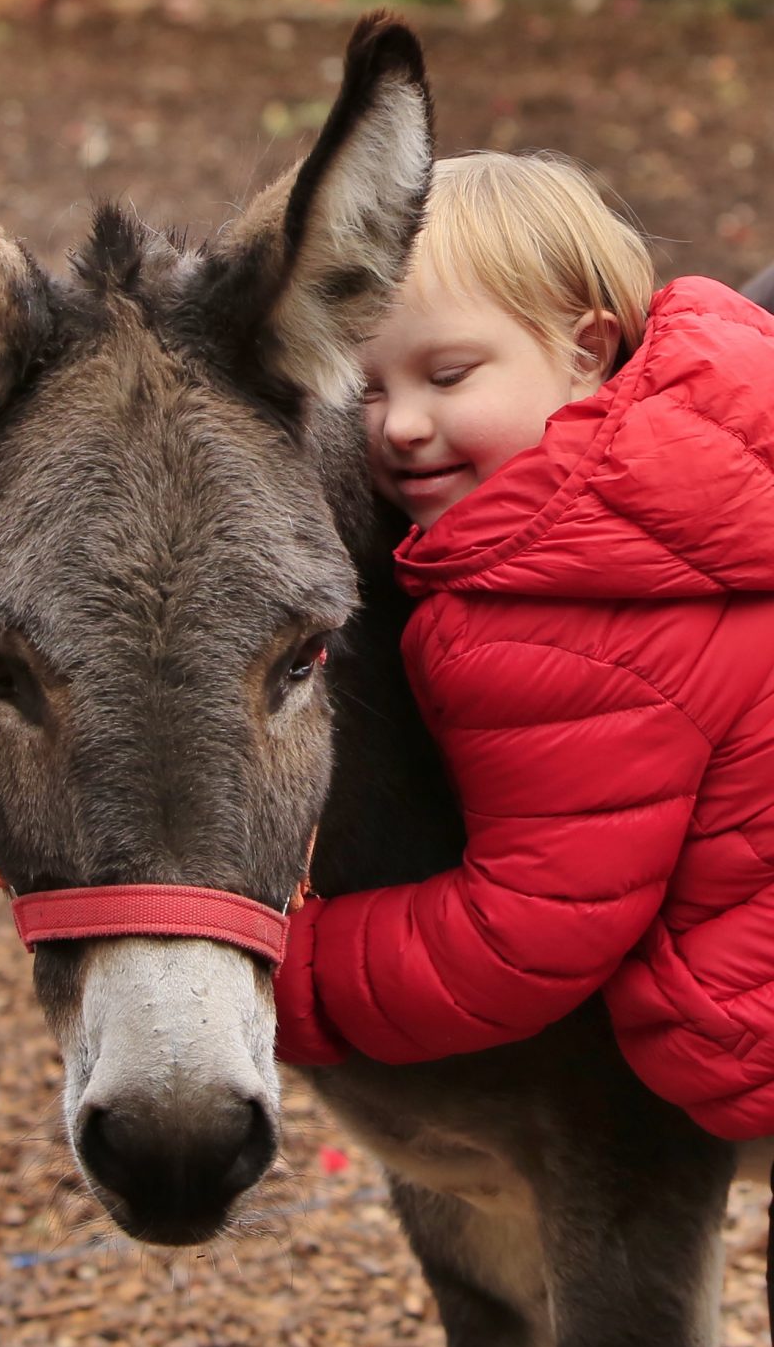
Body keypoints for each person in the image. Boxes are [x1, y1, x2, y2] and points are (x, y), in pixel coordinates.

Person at [274, 149, 774, 1144]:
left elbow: (523, 935)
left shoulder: (564, 619)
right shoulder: (695, 456)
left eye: (447, 375)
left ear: (587, 350)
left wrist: (273, 968)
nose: (401, 426)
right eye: (365, 391)